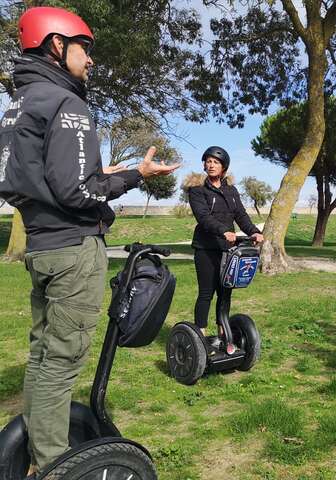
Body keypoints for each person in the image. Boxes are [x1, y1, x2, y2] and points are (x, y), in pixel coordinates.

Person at [0, 7, 179, 476]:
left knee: (42, 358)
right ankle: (56, 464)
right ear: (56, 46)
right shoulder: (67, 103)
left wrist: (106, 176)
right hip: (74, 250)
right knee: (62, 362)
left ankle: (38, 455)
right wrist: (133, 177)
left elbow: (36, 181)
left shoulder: (18, 104)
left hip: (41, 246)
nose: (91, 60)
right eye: (85, 47)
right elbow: (78, 191)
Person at [187, 146, 263, 340]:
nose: (211, 165)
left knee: (225, 292)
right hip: (206, 247)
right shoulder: (197, 190)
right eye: (208, 161)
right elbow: (203, 217)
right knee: (206, 293)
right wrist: (223, 231)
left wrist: (254, 231)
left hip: (228, 249)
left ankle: (223, 333)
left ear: (223, 167)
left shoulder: (231, 190)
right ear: (204, 164)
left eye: (216, 162)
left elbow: (240, 215)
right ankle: (200, 337)